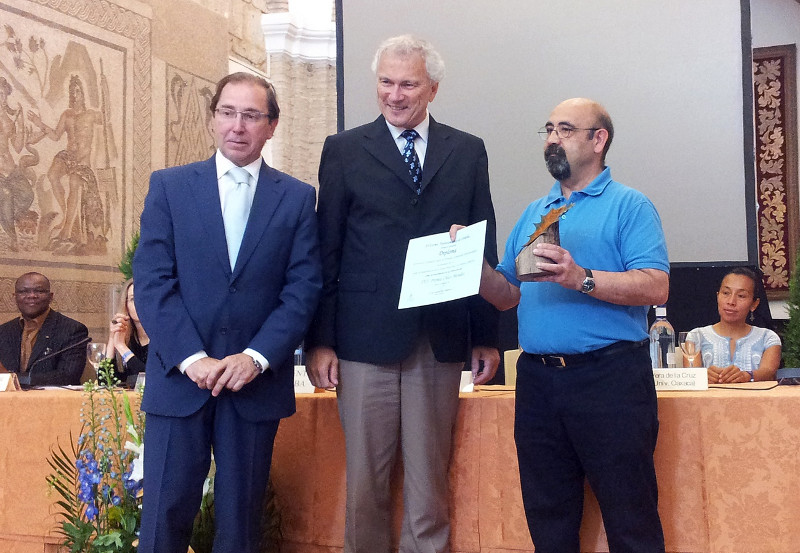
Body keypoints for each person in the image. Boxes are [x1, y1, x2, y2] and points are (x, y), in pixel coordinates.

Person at [305, 35, 500, 553]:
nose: (395, 94)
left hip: (439, 337)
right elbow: (327, 251)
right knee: (366, 483)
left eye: (408, 83)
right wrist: (318, 342)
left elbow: (484, 245)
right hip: (362, 338)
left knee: (428, 483)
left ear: (432, 88)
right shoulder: (343, 150)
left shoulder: (466, 150)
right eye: (386, 82)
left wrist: (486, 335)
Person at [460, 98, 669, 553]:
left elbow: (656, 287)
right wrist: (469, 268)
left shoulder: (629, 206)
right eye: (549, 129)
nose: (553, 138)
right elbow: (508, 294)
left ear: (599, 140)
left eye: (567, 129)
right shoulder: (538, 210)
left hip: (609, 379)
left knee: (629, 517)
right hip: (536, 381)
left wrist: (581, 278)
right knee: (548, 519)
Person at [133, 72, 322, 553]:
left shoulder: (298, 198)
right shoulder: (169, 187)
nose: (238, 126)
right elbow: (153, 282)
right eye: (228, 112)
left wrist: (255, 356)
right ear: (213, 118)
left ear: (272, 126)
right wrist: (191, 358)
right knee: (163, 517)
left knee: (240, 525)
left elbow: (302, 289)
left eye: (251, 115)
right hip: (180, 381)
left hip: (252, 385)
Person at [686, 267, 781, 383]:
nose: (731, 301)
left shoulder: (768, 338)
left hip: (755, 401)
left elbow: (768, 372)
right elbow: (690, 376)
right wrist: (703, 376)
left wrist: (747, 376)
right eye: (726, 293)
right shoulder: (696, 336)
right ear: (717, 296)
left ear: (754, 304)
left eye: (741, 296)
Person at [0, 271, 89, 386]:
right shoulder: (3, 331)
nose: (32, 295)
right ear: (15, 297)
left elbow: (68, 376)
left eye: (39, 291)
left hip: (53, 402)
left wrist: (13, 379)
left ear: (51, 297)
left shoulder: (72, 330)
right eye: (24, 291)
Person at [104, 279, 149, 385]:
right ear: (126, 305)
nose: (139, 303)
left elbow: (147, 380)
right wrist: (112, 338)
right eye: (133, 299)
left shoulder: (161, 337)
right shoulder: (126, 336)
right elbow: (105, 382)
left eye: (143, 298)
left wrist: (121, 347)